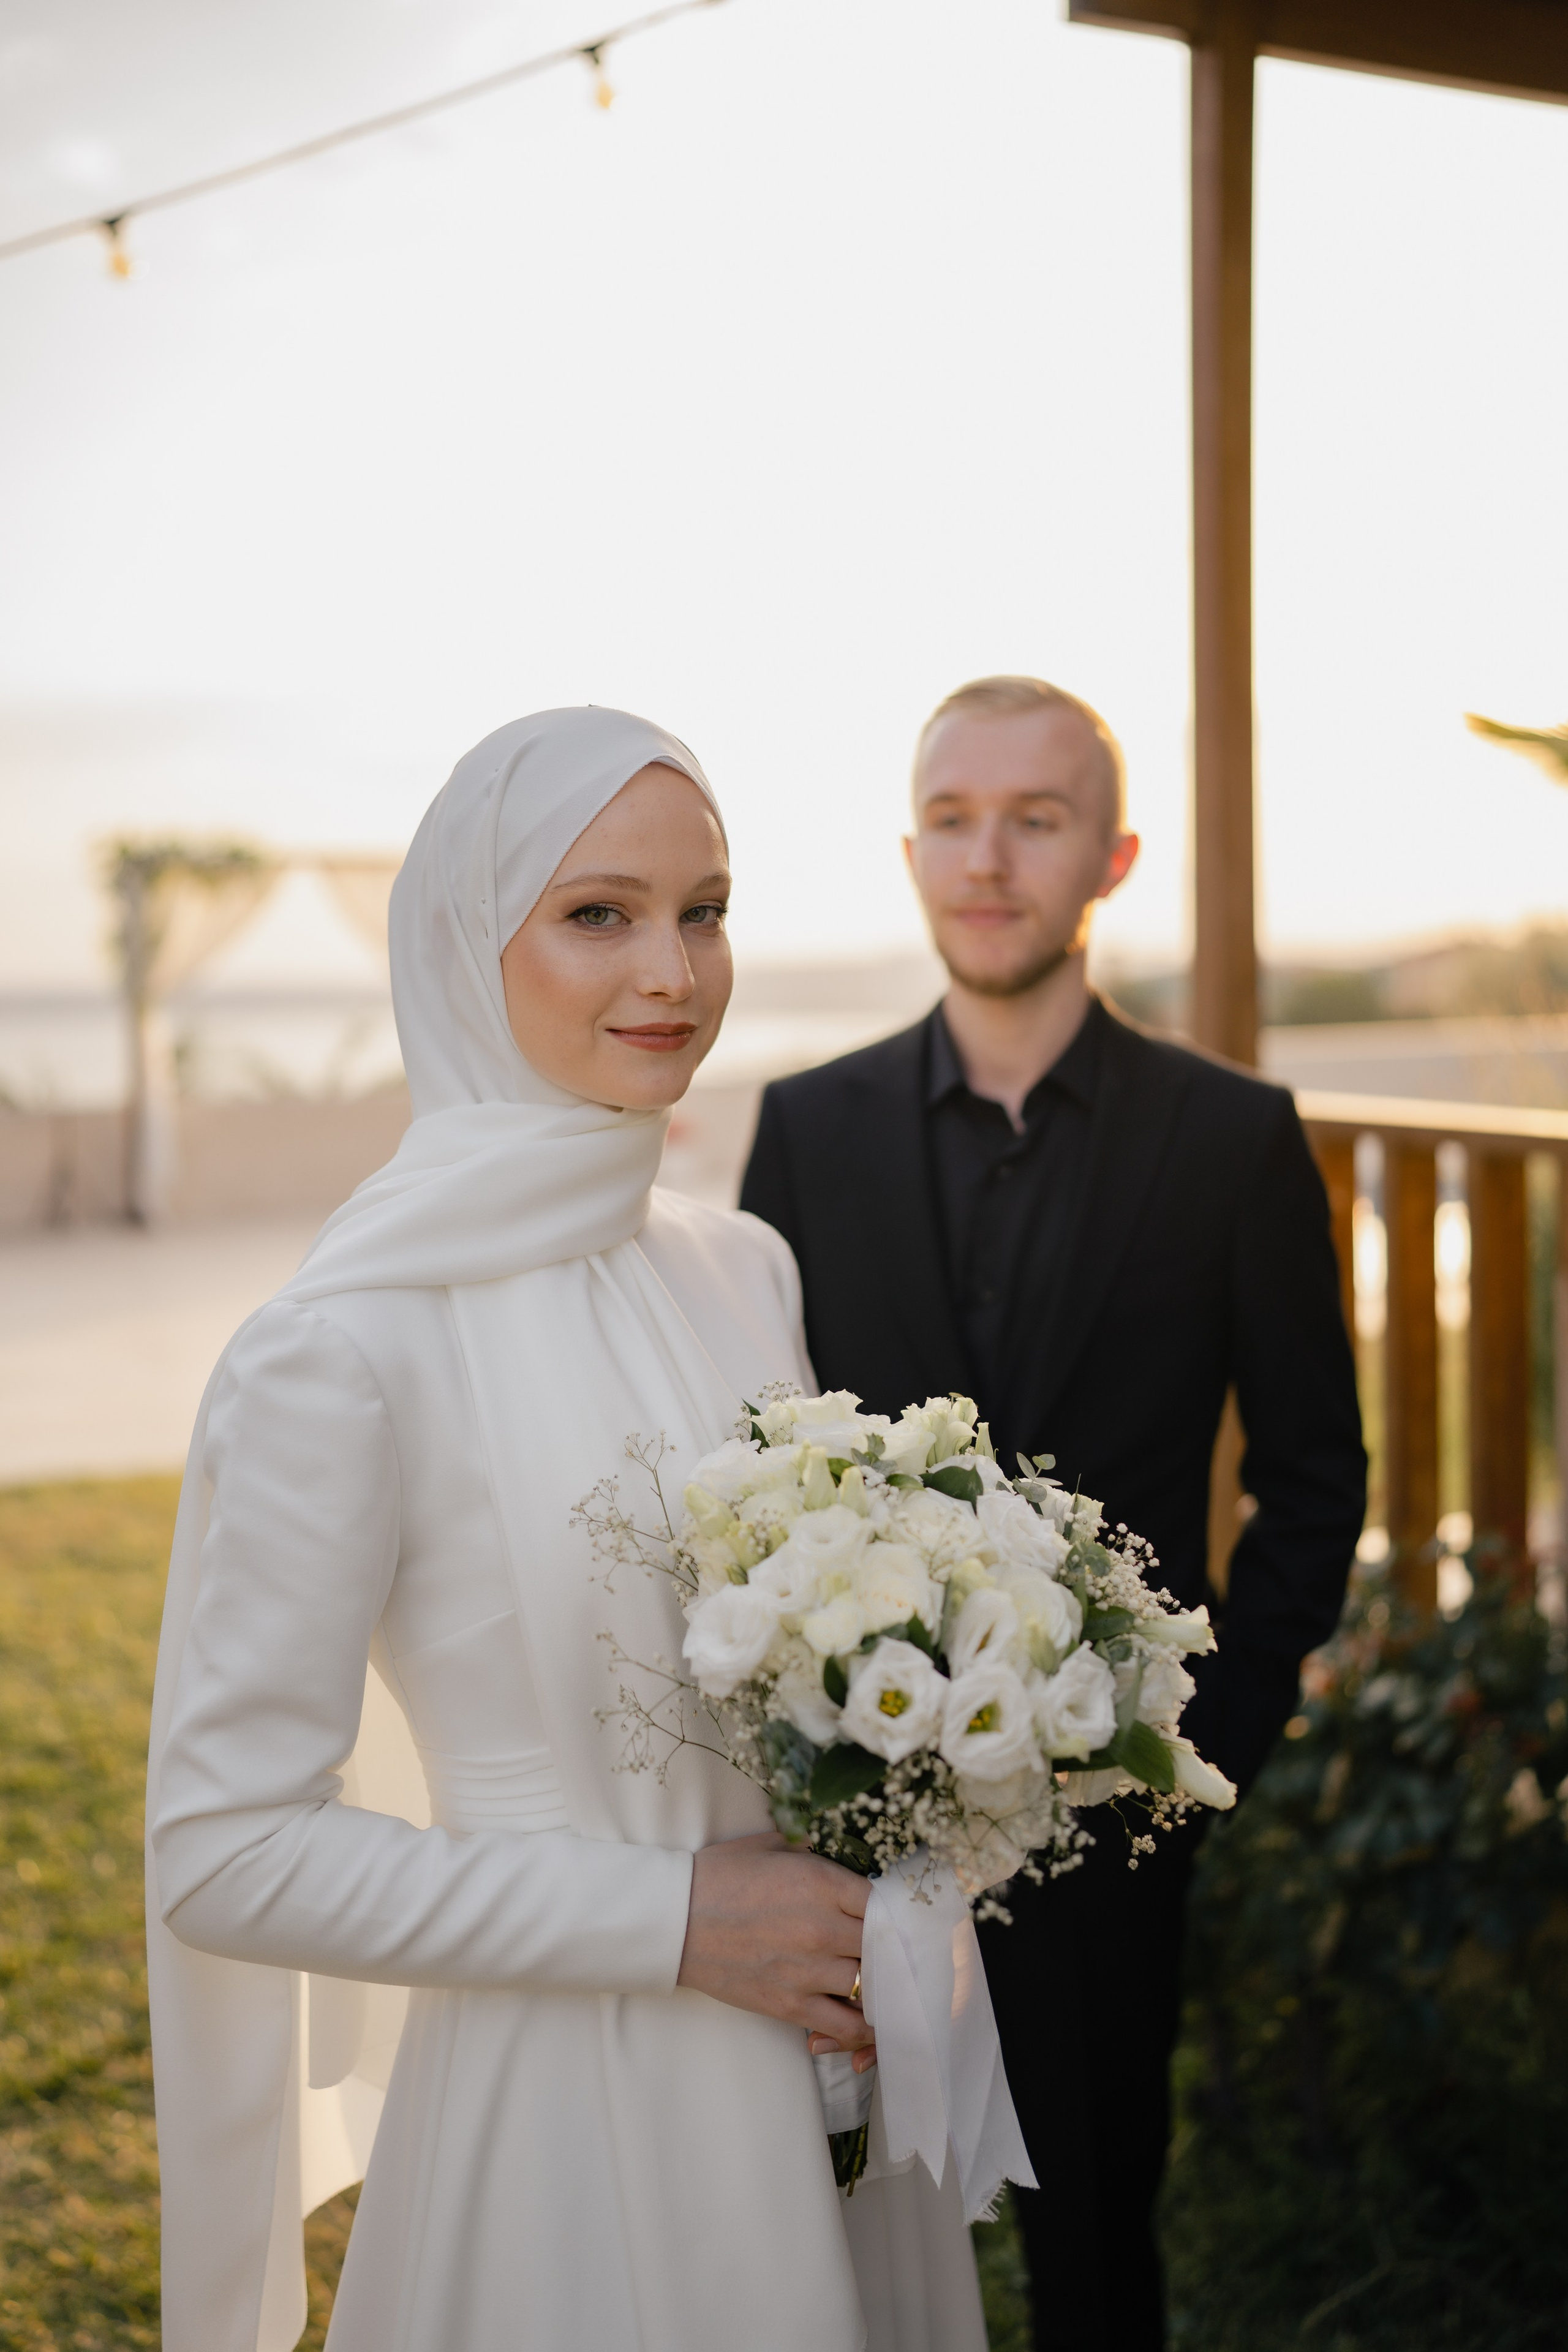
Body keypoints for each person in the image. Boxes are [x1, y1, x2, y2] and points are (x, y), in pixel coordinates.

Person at [146, 709, 989, 2352]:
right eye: (598, 913)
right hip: (562, 2123)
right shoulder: (342, 1347)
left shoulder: (743, 1265)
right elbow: (224, 1850)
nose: (672, 969)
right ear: (470, 947)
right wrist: (673, 1922)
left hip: (827, 2079)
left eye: (707, 907)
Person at [739, 674, 1367, 2351]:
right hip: (848, 1822)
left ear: (1116, 856)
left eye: (1038, 818)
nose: (988, 857)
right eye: (952, 816)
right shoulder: (804, 1132)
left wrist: (1200, 1744)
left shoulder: (1237, 1140)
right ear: (909, 848)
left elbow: (1316, 1477)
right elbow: (757, 1458)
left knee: (1100, 2234)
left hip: (1108, 1821)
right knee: (836, 2235)